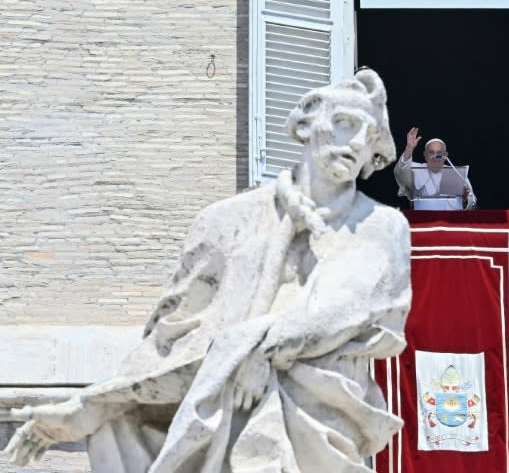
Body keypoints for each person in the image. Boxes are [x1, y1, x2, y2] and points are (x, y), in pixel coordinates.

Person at [3, 69, 412, 473]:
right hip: (221, 409)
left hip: (322, 418)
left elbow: (336, 311)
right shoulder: (226, 221)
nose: (356, 142)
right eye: (344, 124)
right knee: (126, 429)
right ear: (306, 125)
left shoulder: (380, 227)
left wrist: (254, 352)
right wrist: (95, 405)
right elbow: (173, 333)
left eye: (368, 135)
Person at [393, 127, 477, 210]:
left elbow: (472, 202)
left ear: (445, 155)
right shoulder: (416, 170)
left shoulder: (456, 173)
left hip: (451, 221)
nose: (435, 156)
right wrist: (409, 148)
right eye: (431, 152)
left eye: (439, 153)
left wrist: (465, 199)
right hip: (424, 221)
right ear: (425, 155)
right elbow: (400, 173)